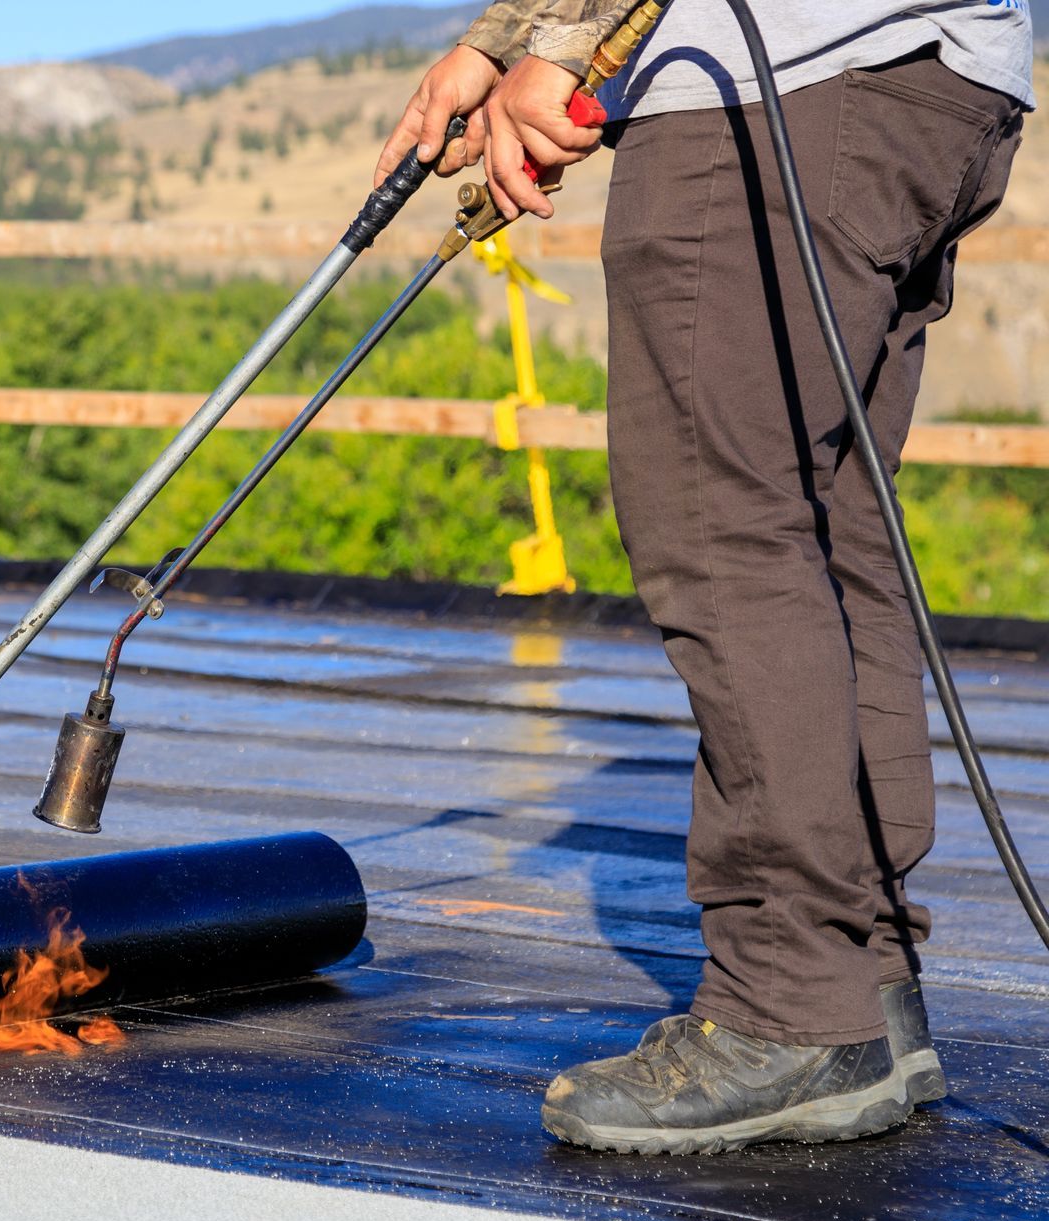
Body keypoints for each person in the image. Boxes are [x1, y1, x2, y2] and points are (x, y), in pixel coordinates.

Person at [376, 0, 1032, 1154]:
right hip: (935, 87)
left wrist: (556, 47)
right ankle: (862, 989)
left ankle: (789, 1007)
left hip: (772, 90)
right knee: (828, 529)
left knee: (724, 526)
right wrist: (496, 42)